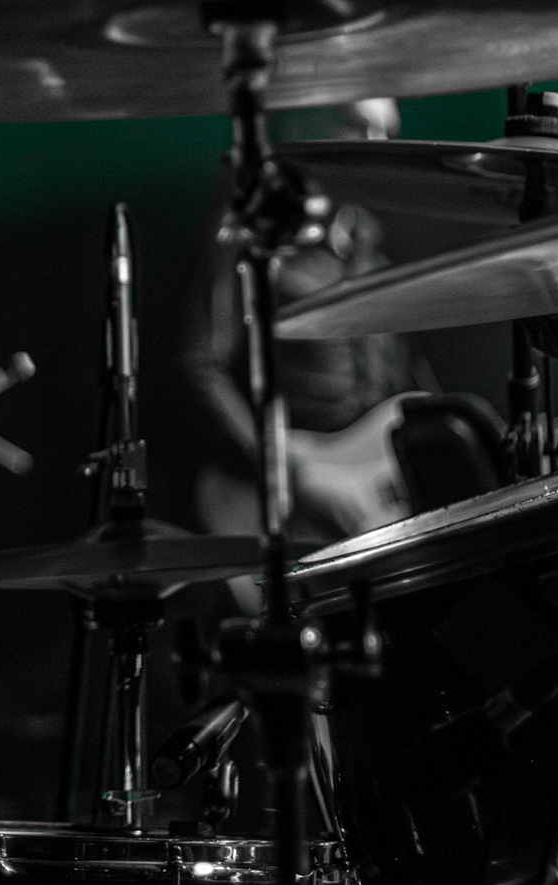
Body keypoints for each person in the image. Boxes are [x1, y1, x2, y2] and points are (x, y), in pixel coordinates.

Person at [180, 99, 426, 606]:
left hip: (368, 479)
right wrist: (289, 472)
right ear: (306, 128)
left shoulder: (367, 242)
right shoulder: (247, 234)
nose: (377, 147)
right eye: (357, 127)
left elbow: (400, 382)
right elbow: (202, 366)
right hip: (268, 492)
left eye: (386, 132)